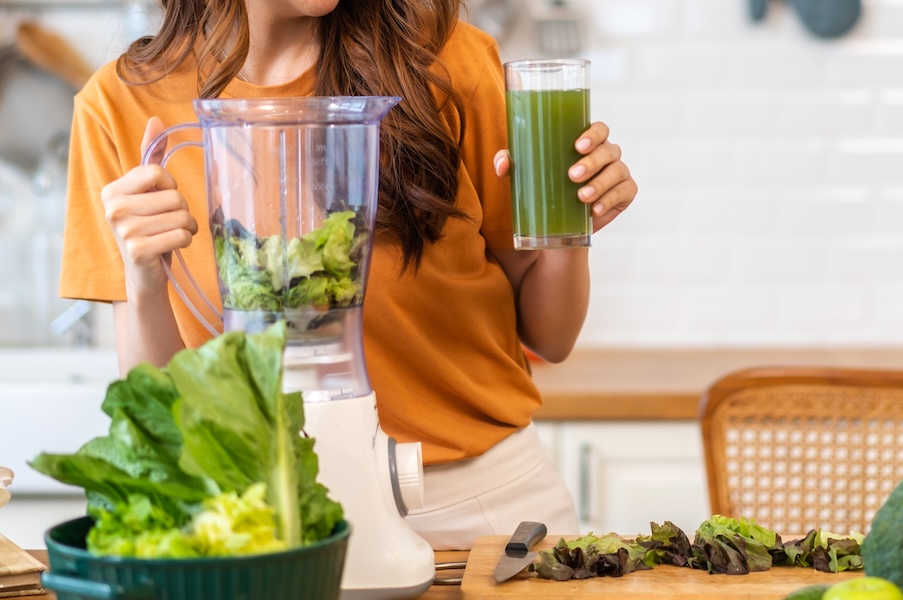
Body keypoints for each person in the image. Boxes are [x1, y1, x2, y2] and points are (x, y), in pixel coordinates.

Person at [58, 0, 637, 550]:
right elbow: (156, 398)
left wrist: (570, 221)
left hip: (480, 512)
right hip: (265, 519)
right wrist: (142, 275)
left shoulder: (444, 58)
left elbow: (550, 336)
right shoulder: (118, 106)